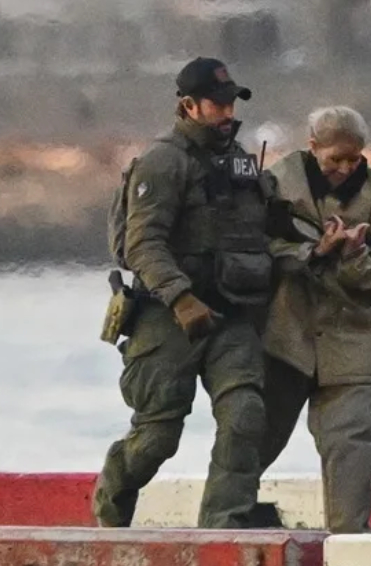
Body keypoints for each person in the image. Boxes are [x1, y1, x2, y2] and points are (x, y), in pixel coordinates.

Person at [94, 57, 273, 528]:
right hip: (165, 315)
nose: (228, 113)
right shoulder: (163, 162)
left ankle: (224, 526)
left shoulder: (241, 162)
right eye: (218, 104)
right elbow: (142, 245)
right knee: (157, 437)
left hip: (230, 313)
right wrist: (180, 298)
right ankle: (112, 499)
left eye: (232, 103)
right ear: (189, 106)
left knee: (245, 415)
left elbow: (266, 230)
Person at [258, 105, 371, 533]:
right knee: (253, 438)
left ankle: (350, 541)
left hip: (352, 338)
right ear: (313, 147)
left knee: (352, 443)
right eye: (335, 159)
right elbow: (257, 250)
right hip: (286, 335)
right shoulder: (276, 183)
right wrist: (313, 252)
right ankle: (222, 525)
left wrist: (355, 256)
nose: (346, 169)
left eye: (354, 158)